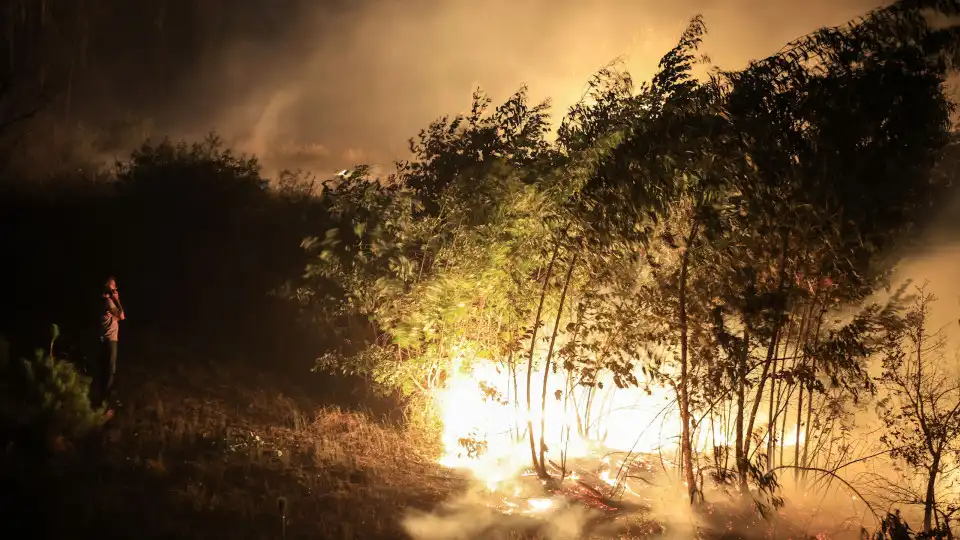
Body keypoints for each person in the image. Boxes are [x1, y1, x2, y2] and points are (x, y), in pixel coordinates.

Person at [99, 276, 126, 413]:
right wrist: (117, 299)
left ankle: (105, 400)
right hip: (110, 340)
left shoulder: (105, 302)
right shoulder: (108, 302)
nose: (115, 287)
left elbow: (118, 318)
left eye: (115, 285)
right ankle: (105, 403)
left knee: (107, 370)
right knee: (109, 371)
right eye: (112, 285)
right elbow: (121, 315)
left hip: (107, 339)